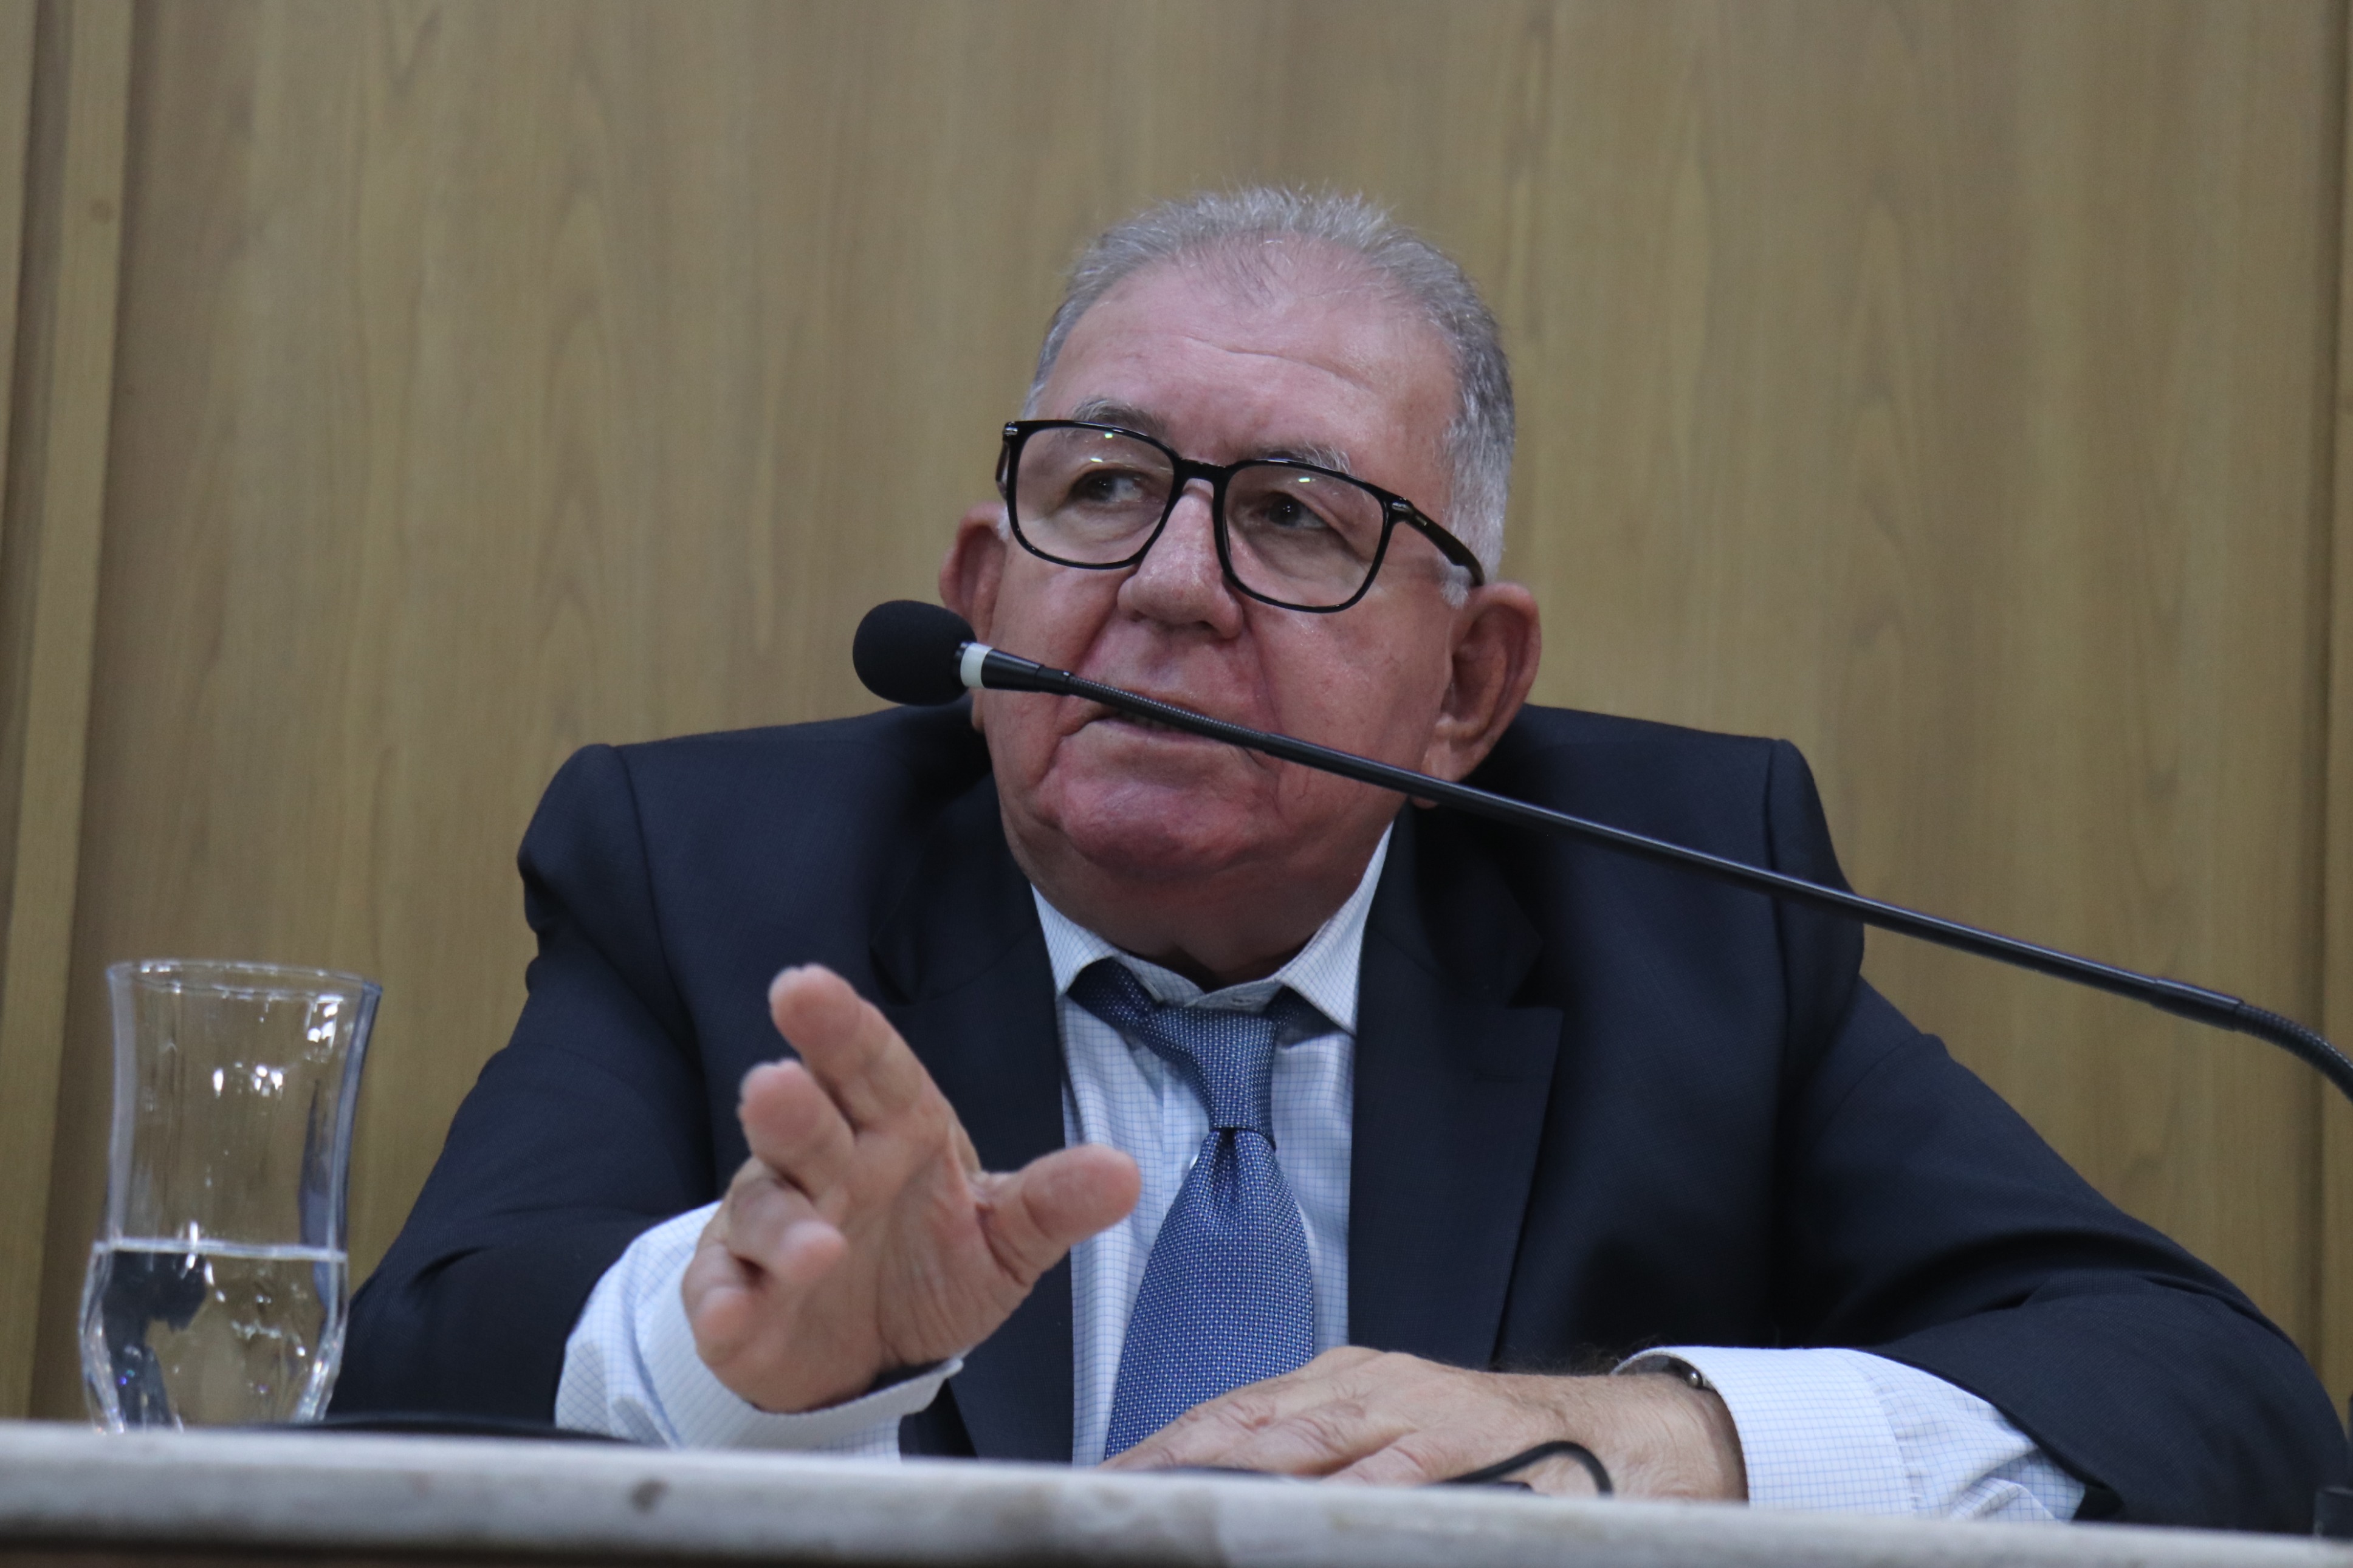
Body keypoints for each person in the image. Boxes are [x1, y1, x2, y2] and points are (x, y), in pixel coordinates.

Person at [334, 190, 2343, 1529]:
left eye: (1294, 519)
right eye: (1100, 488)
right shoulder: (706, 873)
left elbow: (2213, 1404)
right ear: (980, 590)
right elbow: (404, 1391)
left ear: (1469, 684)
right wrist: (741, 1364)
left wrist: (1645, 1433)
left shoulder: (1686, 907)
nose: (1169, 585)